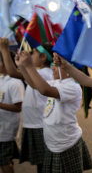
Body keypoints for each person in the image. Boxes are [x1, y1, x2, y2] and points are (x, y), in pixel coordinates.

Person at [16, 51, 92, 173]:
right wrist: (22, 66)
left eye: (57, 65)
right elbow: (34, 85)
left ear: (70, 69)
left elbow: (44, 90)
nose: (52, 68)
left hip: (66, 145)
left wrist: (29, 66)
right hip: (54, 143)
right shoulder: (57, 82)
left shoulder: (73, 87)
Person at [0, 38, 53, 173]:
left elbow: (12, 73)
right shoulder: (38, 73)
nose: (31, 54)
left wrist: (5, 50)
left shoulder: (45, 74)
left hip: (40, 125)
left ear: (43, 57)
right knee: (41, 164)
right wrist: (21, 64)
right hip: (35, 124)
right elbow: (16, 72)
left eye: (34, 53)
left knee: (44, 165)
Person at [0, 51, 25, 173]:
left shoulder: (15, 83)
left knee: (5, 161)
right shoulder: (1, 79)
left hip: (6, 131)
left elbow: (18, 107)